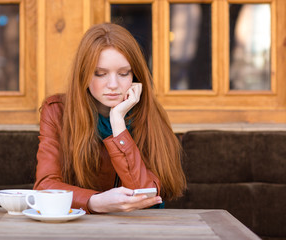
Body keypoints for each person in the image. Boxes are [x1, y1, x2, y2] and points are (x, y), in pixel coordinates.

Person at [34, 23, 186, 214]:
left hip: (136, 227)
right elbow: (45, 187)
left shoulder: (150, 116)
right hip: (77, 226)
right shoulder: (57, 111)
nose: (113, 84)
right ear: (84, 75)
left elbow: (145, 197)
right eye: (100, 74)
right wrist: (93, 202)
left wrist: (118, 124)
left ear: (135, 76)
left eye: (123, 73)